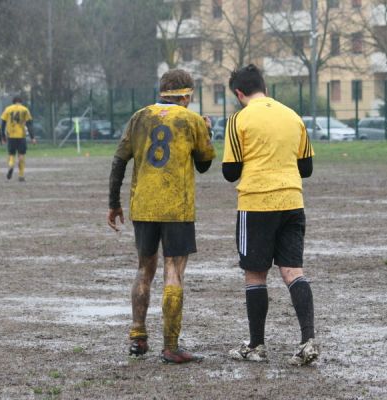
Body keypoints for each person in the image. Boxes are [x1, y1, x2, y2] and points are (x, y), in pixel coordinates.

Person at [107, 69, 216, 364]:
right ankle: (171, 345)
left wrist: (114, 202)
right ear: (184, 95)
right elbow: (204, 164)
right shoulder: (191, 120)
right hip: (176, 207)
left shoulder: (139, 117)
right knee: (173, 271)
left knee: (144, 269)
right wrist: (207, 131)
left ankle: (138, 336)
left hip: (143, 205)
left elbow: (119, 161)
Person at [222, 64, 318, 366]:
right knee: (293, 272)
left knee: (255, 274)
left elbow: (230, 172)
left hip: (256, 203)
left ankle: (256, 345)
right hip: (292, 201)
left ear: (239, 93)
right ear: (264, 86)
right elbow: (307, 168)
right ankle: (307, 341)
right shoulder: (292, 116)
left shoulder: (238, 119)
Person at [1, 96, 36, 182]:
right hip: (21, 136)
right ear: (21, 101)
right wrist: (32, 137)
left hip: (11, 136)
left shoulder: (8, 109)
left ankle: (11, 165)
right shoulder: (25, 109)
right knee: (21, 156)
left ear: (13, 102)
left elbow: (3, 123)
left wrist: (3, 136)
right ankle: (21, 175)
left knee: (11, 154)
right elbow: (29, 124)